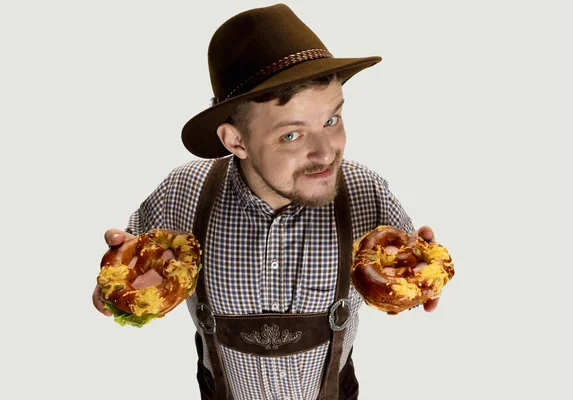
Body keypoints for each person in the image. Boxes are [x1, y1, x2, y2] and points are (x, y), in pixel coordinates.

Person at [93, 4, 442, 399]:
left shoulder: (367, 194)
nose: (326, 152)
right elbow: (130, 266)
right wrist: (112, 295)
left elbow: (409, 282)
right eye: (291, 135)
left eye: (331, 120)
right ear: (235, 141)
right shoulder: (183, 194)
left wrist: (423, 287)